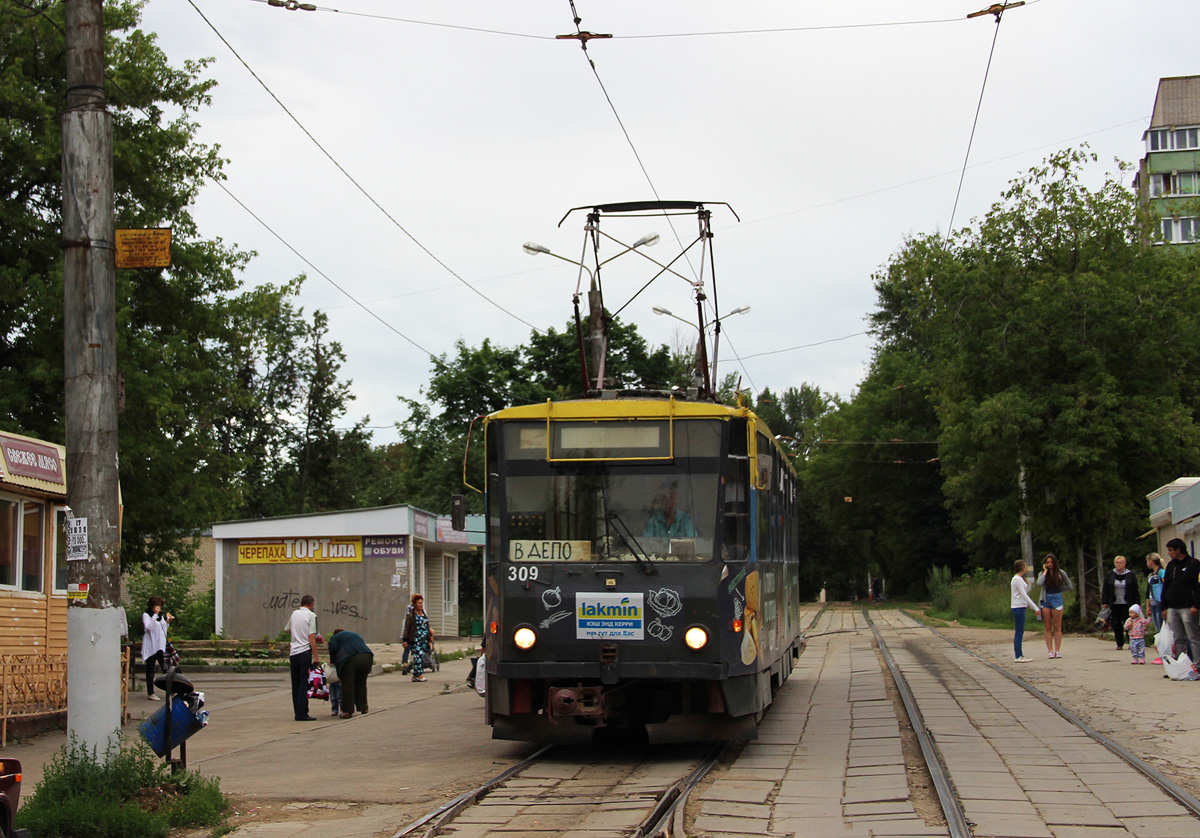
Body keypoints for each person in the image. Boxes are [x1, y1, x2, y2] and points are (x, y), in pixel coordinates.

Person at [1162, 538, 1200, 663]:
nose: (1168, 553)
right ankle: (1179, 664)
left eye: (1170, 550)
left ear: (1178, 550)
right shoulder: (1171, 565)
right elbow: (1166, 585)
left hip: (1188, 607)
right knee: (1177, 638)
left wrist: (1196, 605)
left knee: (1192, 637)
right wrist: (1164, 606)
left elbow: (1198, 586)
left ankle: (1197, 664)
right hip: (1173, 606)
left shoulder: (1194, 564)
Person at [327, 628, 373, 718]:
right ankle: (363, 707)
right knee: (361, 683)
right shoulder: (354, 634)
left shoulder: (335, 637)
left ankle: (348, 711)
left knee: (348, 685)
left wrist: (332, 661)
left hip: (351, 659)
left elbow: (332, 648)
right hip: (367, 657)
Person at [287, 594, 320, 721]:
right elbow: (312, 635)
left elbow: (287, 629)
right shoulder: (311, 616)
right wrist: (316, 656)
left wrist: (297, 634)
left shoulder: (294, 614)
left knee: (295, 684)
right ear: (311, 604)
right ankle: (303, 712)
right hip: (304, 652)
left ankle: (297, 711)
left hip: (293, 652)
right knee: (303, 683)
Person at [1037, 553, 1074, 659]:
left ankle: (1057, 650)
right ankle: (1050, 650)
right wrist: (1045, 572)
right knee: (1047, 626)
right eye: (1048, 562)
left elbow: (1069, 586)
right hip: (1046, 599)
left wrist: (1060, 590)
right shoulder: (1043, 574)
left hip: (1057, 598)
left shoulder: (1061, 573)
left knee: (1057, 626)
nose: (1050, 564)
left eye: (1051, 562)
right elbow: (1039, 583)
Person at [1101, 555, 1140, 651]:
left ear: (1125, 564)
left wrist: (1137, 604)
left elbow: (1135, 590)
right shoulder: (1110, 574)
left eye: (1121, 562)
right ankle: (1119, 643)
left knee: (1128, 623)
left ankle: (1131, 642)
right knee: (1116, 623)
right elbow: (1105, 589)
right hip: (1114, 603)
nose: (1119, 564)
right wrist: (1105, 601)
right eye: (1117, 563)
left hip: (1127, 603)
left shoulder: (1130, 575)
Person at [141, 595, 174, 701]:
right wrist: (155, 615)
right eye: (156, 605)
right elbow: (148, 627)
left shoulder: (161, 616)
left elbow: (163, 628)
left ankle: (170, 690)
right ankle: (150, 692)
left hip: (160, 646)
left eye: (159, 606)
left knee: (165, 668)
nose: (158, 608)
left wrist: (167, 622)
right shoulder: (147, 615)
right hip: (151, 646)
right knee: (150, 669)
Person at [1009, 560, 1041, 662]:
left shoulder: (1019, 579)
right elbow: (1024, 595)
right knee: (1019, 631)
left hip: (1020, 607)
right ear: (1022, 568)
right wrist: (1035, 607)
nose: (1026, 568)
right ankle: (1018, 655)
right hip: (1018, 607)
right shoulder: (1017, 579)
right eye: (1025, 566)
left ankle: (1019, 654)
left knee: (1020, 630)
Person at [402, 593, 434, 683]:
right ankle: (419, 674)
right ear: (415, 604)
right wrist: (405, 640)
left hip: (423, 639)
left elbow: (427, 626)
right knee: (417, 656)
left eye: (421, 603)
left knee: (422, 656)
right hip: (415, 639)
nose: (421, 605)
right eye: (419, 603)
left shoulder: (423, 614)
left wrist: (429, 636)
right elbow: (407, 628)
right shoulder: (411, 615)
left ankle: (416, 675)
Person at [1146, 553, 1166, 632]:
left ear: (1151, 561)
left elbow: (1166, 586)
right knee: (1156, 625)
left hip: (1159, 601)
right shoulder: (1151, 574)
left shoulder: (1161, 572)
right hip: (1152, 601)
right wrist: (1148, 605)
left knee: (1161, 624)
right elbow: (1148, 591)